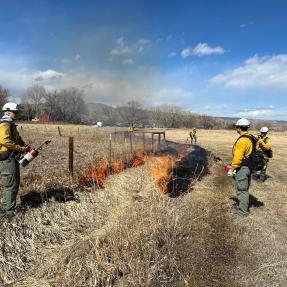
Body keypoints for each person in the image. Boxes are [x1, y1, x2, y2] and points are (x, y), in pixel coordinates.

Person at [0, 102, 28, 220]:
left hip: (11, 158)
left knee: (12, 184)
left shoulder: (11, 125)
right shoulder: (5, 124)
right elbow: (5, 140)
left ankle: (7, 207)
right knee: (11, 185)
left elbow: (17, 139)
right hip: (7, 159)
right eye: (14, 112)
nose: (16, 114)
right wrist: (19, 148)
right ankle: (9, 213)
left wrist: (25, 146)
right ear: (8, 112)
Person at [226, 118, 253, 216]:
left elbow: (238, 157)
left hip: (243, 167)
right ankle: (243, 206)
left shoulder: (242, 141)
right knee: (244, 188)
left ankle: (242, 211)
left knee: (241, 189)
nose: (236, 129)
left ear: (239, 128)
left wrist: (232, 168)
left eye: (236, 127)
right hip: (249, 167)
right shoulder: (251, 137)